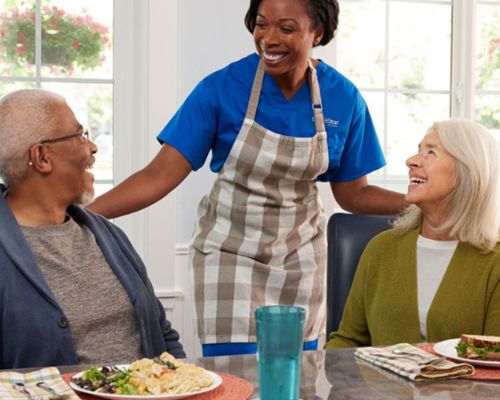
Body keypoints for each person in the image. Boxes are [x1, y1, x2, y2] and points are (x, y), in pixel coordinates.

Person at [88, 0, 406, 356]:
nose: (269, 39)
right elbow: (159, 175)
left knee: (294, 376)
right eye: (261, 24)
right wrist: (82, 215)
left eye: (286, 28)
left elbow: (353, 195)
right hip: (229, 251)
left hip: (300, 256)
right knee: (234, 375)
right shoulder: (222, 89)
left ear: (317, 32)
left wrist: (419, 202)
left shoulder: (342, 99)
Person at [0, 89, 186, 369]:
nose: (93, 147)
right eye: (79, 135)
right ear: (42, 157)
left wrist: (185, 384)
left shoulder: (108, 236)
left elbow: (164, 336)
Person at [325, 119, 500, 349]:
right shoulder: (380, 248)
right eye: (419, 150)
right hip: (374, 386)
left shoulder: (494, 262)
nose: (411, 161)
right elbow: (347, 341)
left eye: (430, 152)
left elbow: (494, 360)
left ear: (466, 171)